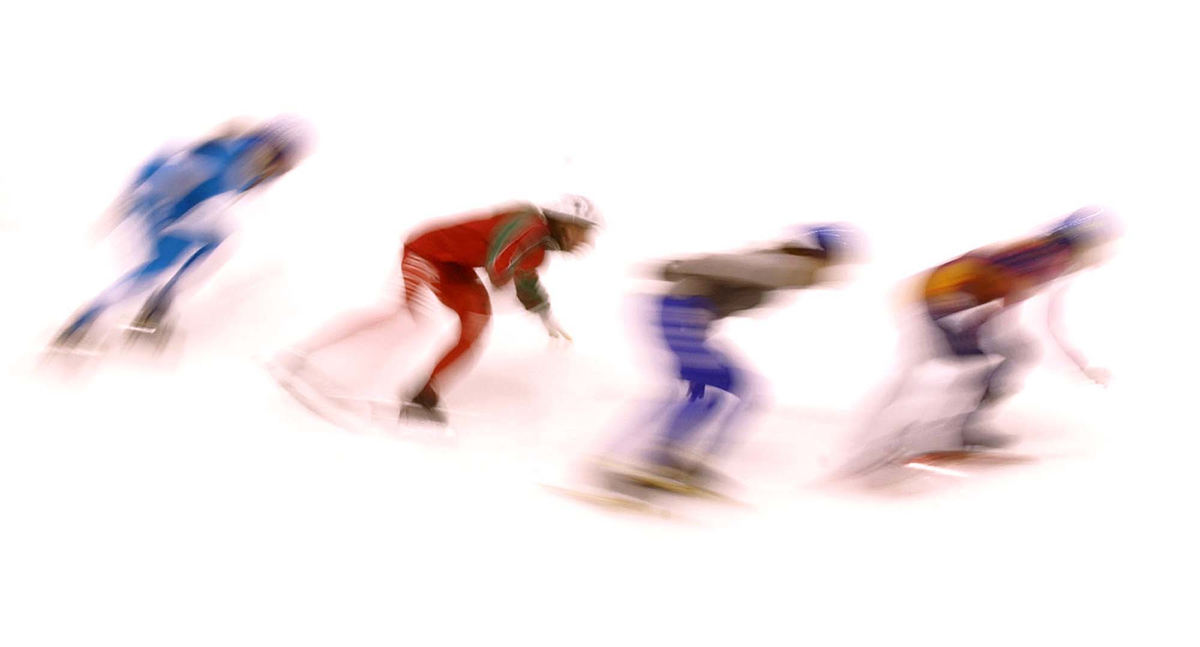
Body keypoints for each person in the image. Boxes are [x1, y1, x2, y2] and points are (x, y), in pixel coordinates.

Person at [272, 195, 599, 423]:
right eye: (583, 233)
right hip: (427, 252)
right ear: (566, 225)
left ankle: (421, 400)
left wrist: (545, 316)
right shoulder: (528, 225)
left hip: (454, 267)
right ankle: (305, 356)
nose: (585, 242)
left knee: (474, 326)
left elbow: (524, 281)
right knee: (405, 319)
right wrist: (503, 275)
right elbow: (504, 254)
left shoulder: (538, 250)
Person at [602, 224, 862, 495]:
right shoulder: (783, 265)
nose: (832, 270)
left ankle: (674, 460)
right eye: (834, 261)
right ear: (819, 255)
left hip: (686, 317)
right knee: (705, 386)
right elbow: (730, 264)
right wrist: (678, 267)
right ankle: (647, 457)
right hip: (676, 312)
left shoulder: (789, 270)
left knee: (732, 386)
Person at [51, 117, 308, 348]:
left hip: (176, 206)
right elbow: (168, 170)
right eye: (278, 160)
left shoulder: (245, 163)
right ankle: (82, 323)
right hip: (163, 204)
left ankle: (156, 305)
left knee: (215, 240)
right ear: (270, 146)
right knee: (156, 267)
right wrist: (132, 201)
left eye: (281, 166)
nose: (274, 170)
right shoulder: (226, 156)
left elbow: (170, 163)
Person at [881, 206, 1118, 452]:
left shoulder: (1046, 255)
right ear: (1083, 243)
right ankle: (918, 432)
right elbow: (1006, 296)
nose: (1096, 259)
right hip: (941, 301)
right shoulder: (1046, 258)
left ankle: (933, 429)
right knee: (981, 361)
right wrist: (1080, 367)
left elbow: (1003, 297)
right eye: (1096, 249)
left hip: (939, 299)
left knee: (998, 356)